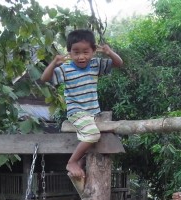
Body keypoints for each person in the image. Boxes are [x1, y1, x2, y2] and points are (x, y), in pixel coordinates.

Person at [40, 29, 124, 179]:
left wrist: (109, 52)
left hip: (93, 112)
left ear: (93, 51)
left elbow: (119, 63)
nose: (81, 57)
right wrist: (54, 63)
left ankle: (81, 163)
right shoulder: (65, 69)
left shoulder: (95, 65)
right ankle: (72, 162)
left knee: (99, 139)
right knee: (92, 134)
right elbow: (44, 79)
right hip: (76, 112)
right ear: (69, 53)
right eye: (76, 52)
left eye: (85, 52)